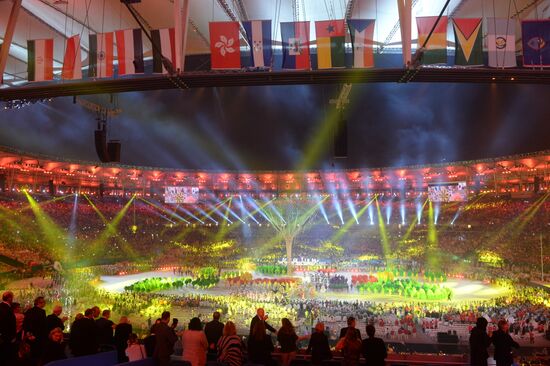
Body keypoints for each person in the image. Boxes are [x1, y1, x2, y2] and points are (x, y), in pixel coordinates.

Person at [0, 291, 16, 366]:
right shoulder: (6, 308)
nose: (12, 299)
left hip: (3, 336)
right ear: (9, 298)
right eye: (12, 297)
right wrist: (12, 336)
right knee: (7, 356)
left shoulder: (1, 306)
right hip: (7, 337)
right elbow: (9, 323)